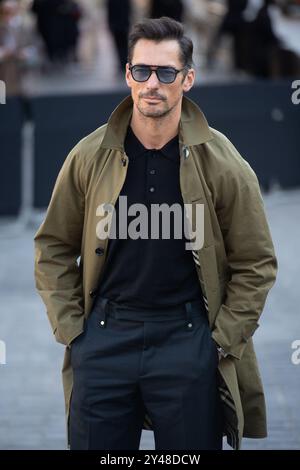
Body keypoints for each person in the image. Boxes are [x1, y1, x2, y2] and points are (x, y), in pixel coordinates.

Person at [34, 16, 278, 450]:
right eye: (142, 70)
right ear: (128, 74)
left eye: (167, 73)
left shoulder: (222, 163)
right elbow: (52, 246)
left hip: (187, 339)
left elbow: (256, 261)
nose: (153, 83)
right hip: (105, 336)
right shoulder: (90, 156)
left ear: (188, 79)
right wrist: (73, 331)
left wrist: (220, 342)